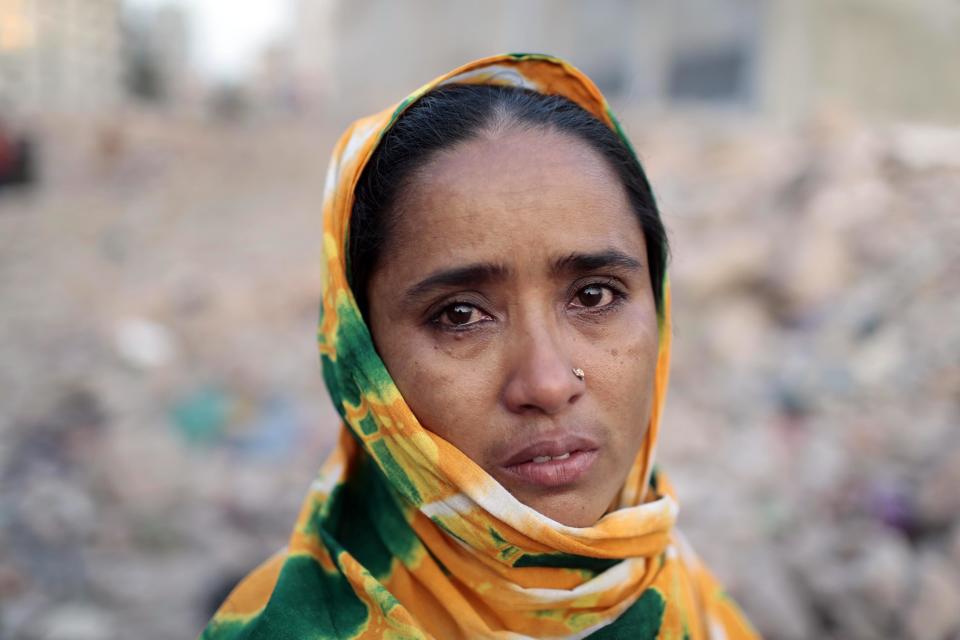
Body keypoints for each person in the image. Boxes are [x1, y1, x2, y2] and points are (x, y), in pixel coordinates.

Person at [200, 54, 759, 639]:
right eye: (461, 315)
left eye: (594, 296)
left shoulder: (688, 599)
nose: (546, 383)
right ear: (362, 359)